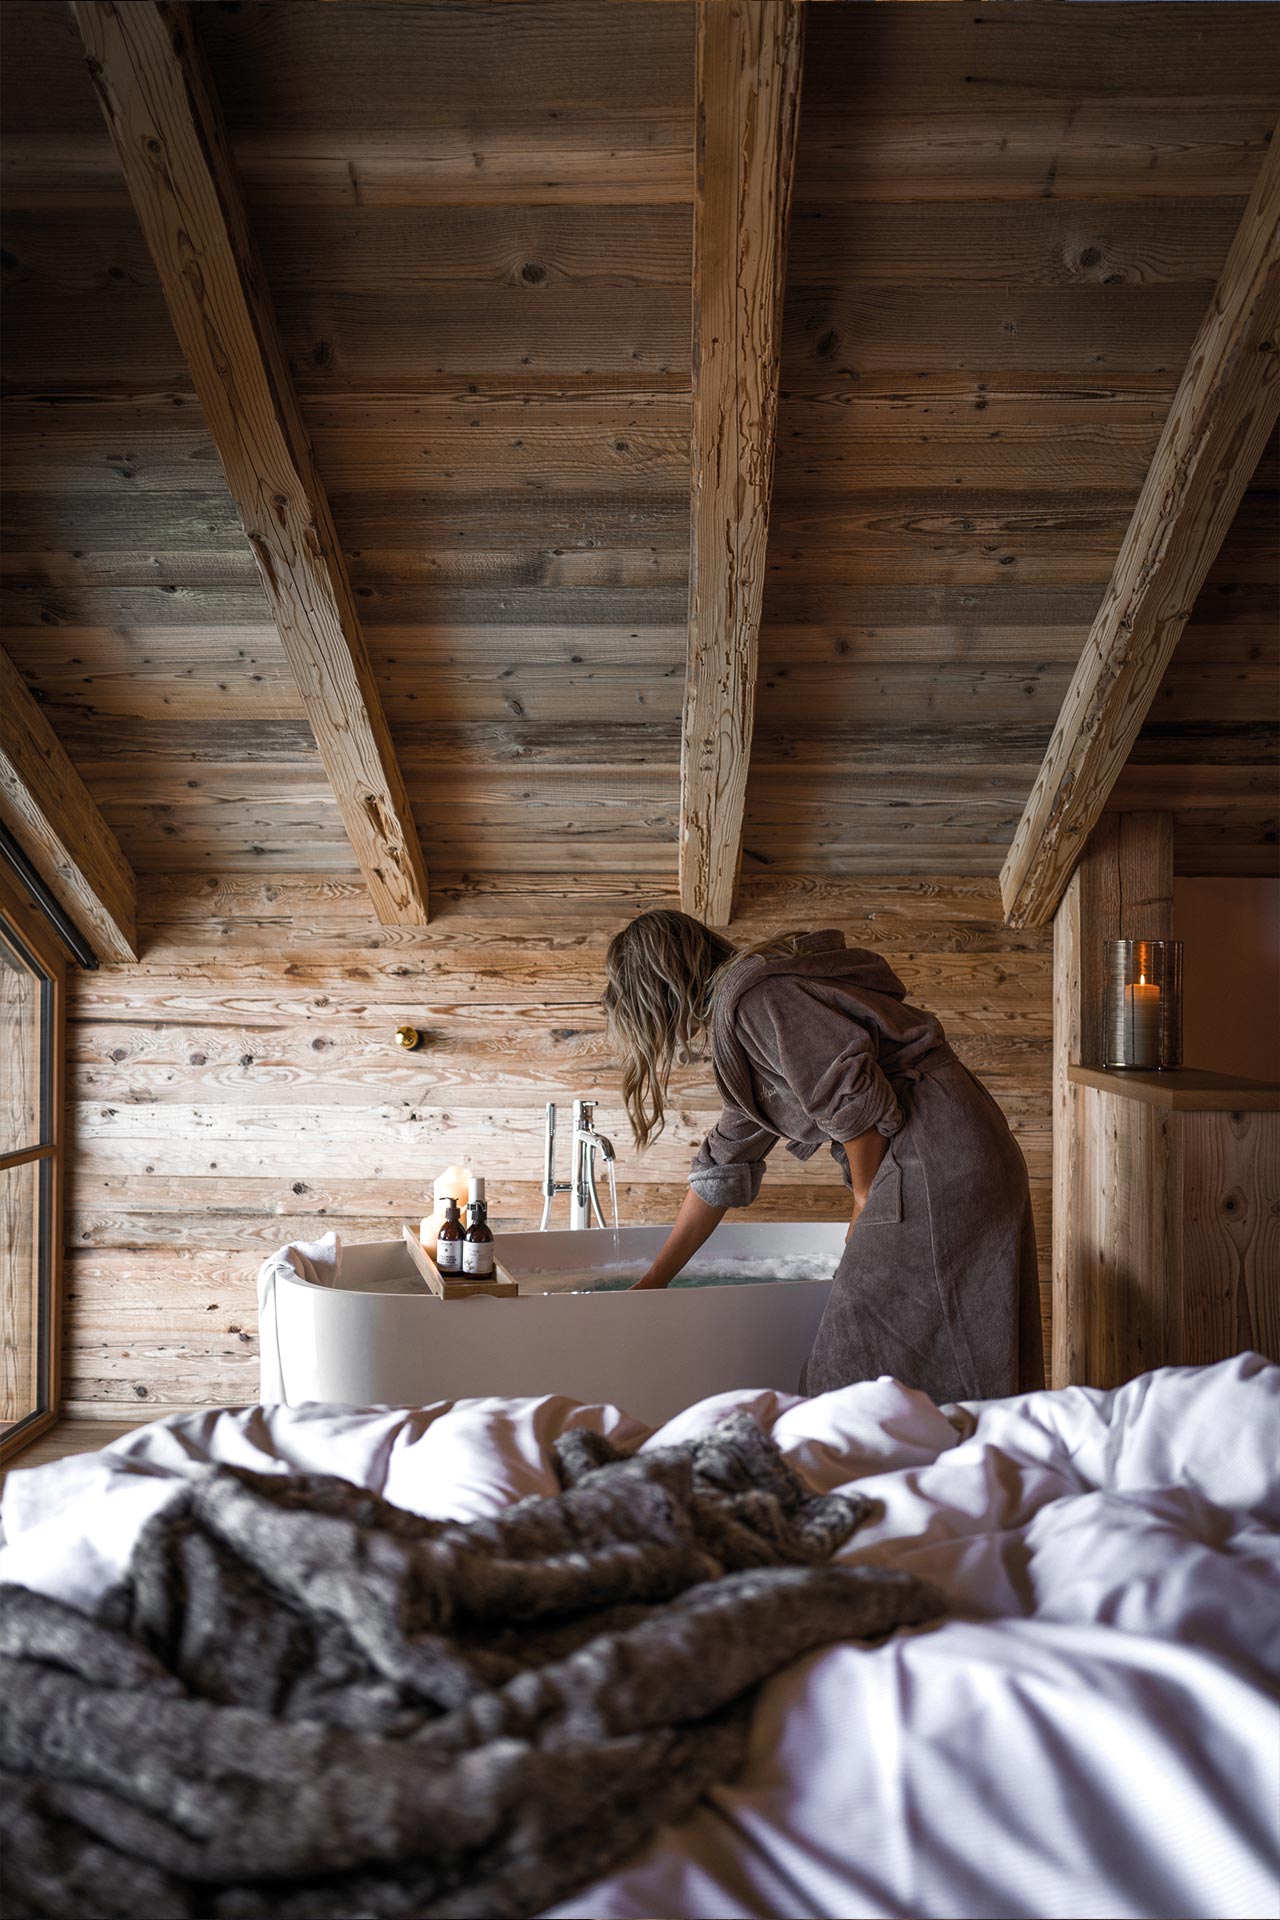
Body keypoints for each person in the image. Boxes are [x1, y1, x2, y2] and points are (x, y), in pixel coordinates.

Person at [603, 911, 1044, 1404]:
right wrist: (652, 1283)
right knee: (957, 1351)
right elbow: (724, 1163)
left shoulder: (752, 998)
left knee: (842, 1379)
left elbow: (853, 1100)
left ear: (659, 985)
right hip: (960, 1144)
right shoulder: (752, 1009)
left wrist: (862, 1202)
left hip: (934, 1155)